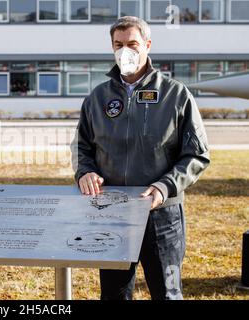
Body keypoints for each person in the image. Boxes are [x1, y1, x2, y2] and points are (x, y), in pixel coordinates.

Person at [71, 16, 210, 300]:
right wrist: (85, 171)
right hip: (112, 213)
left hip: (162, 215)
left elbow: (196, 154)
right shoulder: (97, 98)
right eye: (118, 45)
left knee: (167, 293)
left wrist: (165, 186)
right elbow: (81, 147)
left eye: (132, 44)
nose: (125, 51)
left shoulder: (175, 94)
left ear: (147, 44)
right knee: (114, 294)